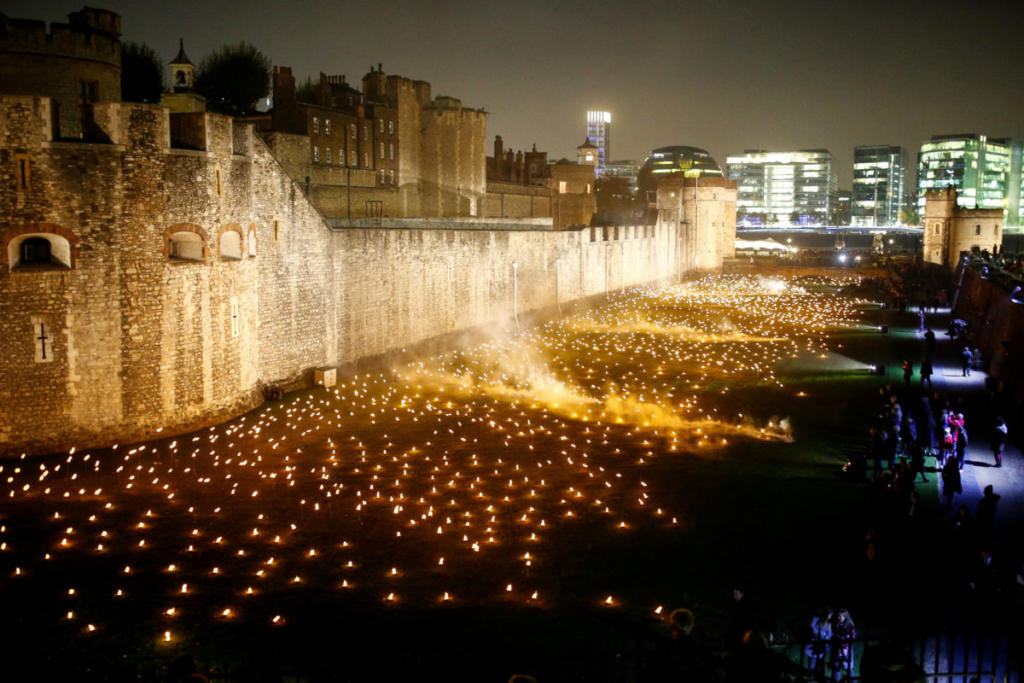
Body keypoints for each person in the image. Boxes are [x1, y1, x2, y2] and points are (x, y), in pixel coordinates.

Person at [804, 607, 832, 677]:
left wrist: (823, 636)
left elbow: (829, 635)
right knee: (813, 660)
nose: (831, 617)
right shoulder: (816, 619)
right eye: (830, 615)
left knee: (818, 661)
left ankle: (816, 675)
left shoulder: (829, 624)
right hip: (814, 644)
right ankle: (812, 677)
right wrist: (822, 635)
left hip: (820, 645)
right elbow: (811, 629)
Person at [830, 609, 856, 681]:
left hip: (846, 651)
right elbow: (832, 634)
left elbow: (851, 639)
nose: (838, 617)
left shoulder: (850, 626)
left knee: (848, 668)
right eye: (838, 616)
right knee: (836, 667)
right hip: (836, 649)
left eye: (840, 616)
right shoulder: (836, 623)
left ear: (845, 617)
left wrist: (838, 637)